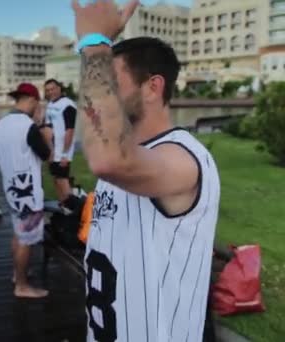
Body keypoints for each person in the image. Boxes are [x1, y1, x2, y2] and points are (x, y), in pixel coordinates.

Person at [71, 1, 221, 341]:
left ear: (153, 87)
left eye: (113, 80)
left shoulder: (183, 159)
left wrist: (94, 42)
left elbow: (109, 158)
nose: (104, 90)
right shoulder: (126, 156)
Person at [0, 83, 52, 299]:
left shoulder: (3, 123)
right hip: (28, 191)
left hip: (12, 187)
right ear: (33, 101)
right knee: (27, 238)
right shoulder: (28, 125)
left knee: (19, 234)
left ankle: (17, 274)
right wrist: (44, 129)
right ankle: (22, 285)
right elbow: (47, 155)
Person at [44, 79, 77, 203]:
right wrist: (49, 150)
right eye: (47, 90)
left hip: (63, 152)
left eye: (52, 89)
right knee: (56, 180)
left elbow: (70, 131)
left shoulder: (68, 105)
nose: (50, 92)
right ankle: (62, 207)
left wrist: (65, 154)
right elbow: (47, 128)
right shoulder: (50, 105)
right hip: (53, 151)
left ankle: (73, 212)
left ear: (59, 88)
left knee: (63, 181)